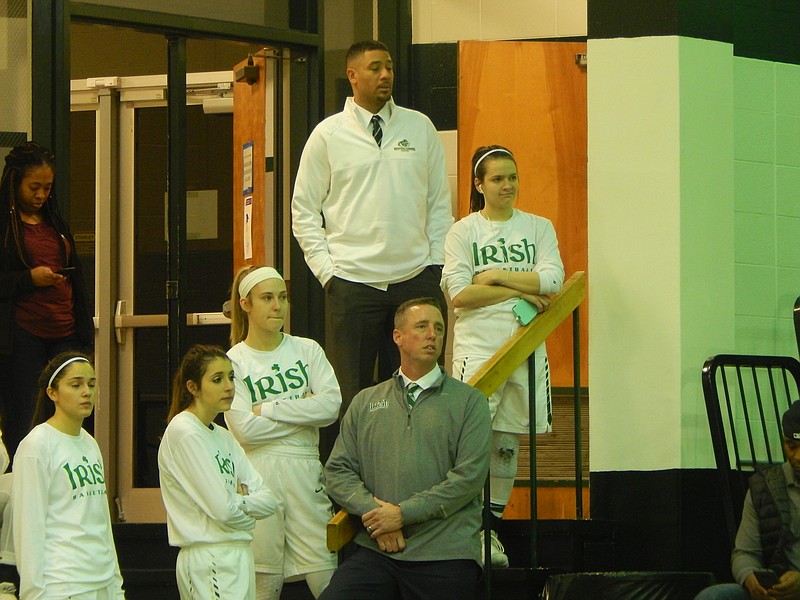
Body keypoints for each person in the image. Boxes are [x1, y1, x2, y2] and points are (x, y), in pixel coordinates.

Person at [290, 39, 453, 426]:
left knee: (423, 389)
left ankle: (418, 478)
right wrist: (329, 274)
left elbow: (438, 205)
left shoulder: (420, 126)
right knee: (352, 398)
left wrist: (436, 266)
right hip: (352, 283)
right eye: (376, 68)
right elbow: (304, 210)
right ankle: (353, 483)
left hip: (415, 279)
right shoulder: (328, 135)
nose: (386, 75)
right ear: (352, 76)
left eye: (390, 67)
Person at [440, 145, 565, 567]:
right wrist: (517, 288)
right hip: (477, 350)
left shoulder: (538, 226)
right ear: (479, 184)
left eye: (512, 176)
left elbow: (553, 279)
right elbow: (461, 293)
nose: (507, 185)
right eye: (497, 178)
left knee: (507, 441)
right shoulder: (463, 231)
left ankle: (489, 534)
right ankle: (466, 532)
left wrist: (494, 275)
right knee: (472, 441)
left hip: (526, 346)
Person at [320, 297, 492, 600]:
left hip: (445, 552)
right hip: (377, 549)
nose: (433, 335)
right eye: (422, 326)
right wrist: (378, 516)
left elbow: (468, 479)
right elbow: (337, 470)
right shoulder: (365, 401)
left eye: (439, 328)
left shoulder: (469, 402)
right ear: (397, 337)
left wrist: (402, 515)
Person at [225, 266, 341, 600]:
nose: (278, 306)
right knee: (263, 577)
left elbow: (330, 407)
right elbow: (245, 430)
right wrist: (303, 410)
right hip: (257, 474)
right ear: (246, 304)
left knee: (323, 568)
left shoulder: (307, 350)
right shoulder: (234, 361)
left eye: (283, 297)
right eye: (267, 298)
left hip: (305, 470)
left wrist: (269, 409)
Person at [158, 344, 277, 600]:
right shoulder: (184, 431)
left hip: (240, 553)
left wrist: (235, 501)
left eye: (231, 377)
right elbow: (221, 509)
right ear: (193, 387)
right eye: (217, 379)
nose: (229, 386)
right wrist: (247, 513)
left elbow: (268, 501)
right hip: (208, 556)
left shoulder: (223, 436)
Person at [0, 142, 93, 460]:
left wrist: (84, 330)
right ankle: (25, 480)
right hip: (23, 334)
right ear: (15, 183)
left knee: (72, 410)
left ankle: (69, 475)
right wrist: (29, 279)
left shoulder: (55, 224)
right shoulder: (5, 227)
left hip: (64, 329)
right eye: (34, 187)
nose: (41, 195)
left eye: (47, 188)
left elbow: (76, 279)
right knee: (26, 415)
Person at [12, 351, 124, 599]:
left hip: (102, 582)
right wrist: (34, 593)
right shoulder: (36, 445)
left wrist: (116, 585)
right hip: (63, 585)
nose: (87, 391)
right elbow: (28, 528)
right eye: (76, 385)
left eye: (91, 384)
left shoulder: (90, 444)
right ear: (53, 393)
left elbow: (101, 521)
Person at [695, 400, 800, 600]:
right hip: (777, 592)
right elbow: (744, 553)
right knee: (714, 596)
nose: (797, 457)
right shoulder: (765, 487)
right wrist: (751, 580)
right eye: (791, 446)